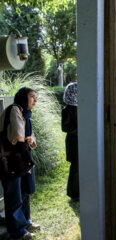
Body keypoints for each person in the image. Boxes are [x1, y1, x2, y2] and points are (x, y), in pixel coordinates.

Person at [0, 87, 40, 240]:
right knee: (14, 195)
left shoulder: (26, 114)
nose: (35, 101)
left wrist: (30, 140)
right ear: (23, 97)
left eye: (36, 98)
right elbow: (18, 135)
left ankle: (26, 222)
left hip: (20, 158)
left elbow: (30, 138)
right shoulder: (15, 109)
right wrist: (26, 140)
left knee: (24, 191)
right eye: (32, 97)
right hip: (11, 160)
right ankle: (18, 231)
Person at [62, 82, 79, 202]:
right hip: (74, 142)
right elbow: (66, 127)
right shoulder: (68, 109)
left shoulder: (80, 107)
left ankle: (79, 190)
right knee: (76, 167)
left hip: (79, 140)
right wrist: (82, 129)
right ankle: (74, 194)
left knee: (80, 167)